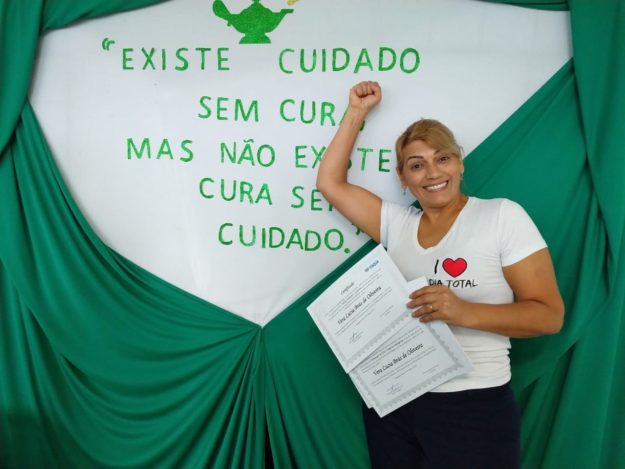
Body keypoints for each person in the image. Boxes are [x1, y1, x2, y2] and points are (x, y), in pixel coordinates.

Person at [316, 81, 564, 469]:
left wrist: (463, 311)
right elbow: (330, 184)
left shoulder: (501, 216)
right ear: (403, 178)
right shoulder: (397, 224)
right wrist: (357, 112)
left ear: (460, 164)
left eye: (442, 158)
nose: (432, 172)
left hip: (473, 404)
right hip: (394, 401)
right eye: (416, 165)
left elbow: (548, 316)